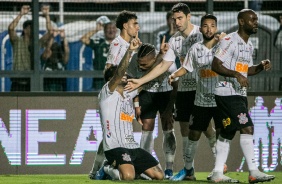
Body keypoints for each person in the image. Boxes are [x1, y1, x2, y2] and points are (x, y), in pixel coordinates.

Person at [125, 3, 219, 180]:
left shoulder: (203, 34)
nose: (176, 22)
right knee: (184, 129)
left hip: (203, 88)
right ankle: (188, 170)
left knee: (207, 128)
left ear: (189, 17)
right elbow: (163, 66)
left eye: (180, 18)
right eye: (174, 19)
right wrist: (141, 81)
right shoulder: (174, 40)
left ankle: (220, 166)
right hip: (184, 89)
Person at [210, 9, 275, 183]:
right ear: (241, 21)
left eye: (257, 19)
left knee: (228, 132)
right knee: (247, 128)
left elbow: (245, 71)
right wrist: (236, 75)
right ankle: (253, 171)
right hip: (226, 92)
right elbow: (215, 65)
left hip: (238, 94)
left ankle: (217, 173)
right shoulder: (229, 41)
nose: (256, 22)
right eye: (252, 19)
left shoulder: (248, 45)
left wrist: (260, 66)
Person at [97, 36, 164, 181]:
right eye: (120, 75)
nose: (124, 75)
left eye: (125, 75)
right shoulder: (107, 92)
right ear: (111, 80)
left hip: (132, 146)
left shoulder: (129, 92)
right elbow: (119, 73)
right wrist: (130, 51)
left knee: (159, 175)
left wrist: (160, 56)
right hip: (115, 147)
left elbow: (147, 77)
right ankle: (107, 168)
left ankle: (133, 170)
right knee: (128, 176)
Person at [168, 14, 225, 181]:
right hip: (201, 100)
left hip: (219, 97)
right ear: (201, 29)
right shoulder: (195, 49)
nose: (209, 29)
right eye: (205, 26)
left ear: (216, 28)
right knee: (193, 133)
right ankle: (188, 169)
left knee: (220, 133)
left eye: (212, 26)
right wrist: (174, 75)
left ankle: (219, 169)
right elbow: (186, 68)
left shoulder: (223, 45)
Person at [88, 10, 140, 180]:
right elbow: (109, 68)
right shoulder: (117, 44)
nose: (137, 27)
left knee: (112, 135)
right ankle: (98, 169)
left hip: (127, 93)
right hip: (116, 93)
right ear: (125, 26)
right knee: (110, 134)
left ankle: (97, 169)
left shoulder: (132, 44)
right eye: (134, 24)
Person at [126, 39, 178, 179]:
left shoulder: (168, 62)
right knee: (147, 127)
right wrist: (136, 106)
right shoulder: (134, 62)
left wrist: (174, 103)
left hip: (166, 93)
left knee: (168, 127)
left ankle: (169, 168)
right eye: (139, 63)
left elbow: (176, 83)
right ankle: (144, 167)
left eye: (144, 64)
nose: (140, 66)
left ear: (154, 59)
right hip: (146, 93)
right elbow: (132, 83)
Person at [8, 5, 52, 91]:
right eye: (31, 27)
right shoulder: (17, 41)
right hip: (17, 82)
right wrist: (21, 14)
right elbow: (10, 28)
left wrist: (47, 15)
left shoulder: (36, 43)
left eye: (34, 27)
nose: (33, 29)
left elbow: (50, 32)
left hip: (30, 83)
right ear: (24, 30)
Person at [80, 21, 117, 91]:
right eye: (108, 28)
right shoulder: (99, 42)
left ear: (116, 31)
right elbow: (83, 39)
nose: (111, 30)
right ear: (104, 31)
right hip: (99, 78)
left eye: (113, 28)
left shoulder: (120, 44)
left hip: (114, 79)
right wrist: (96, 30)